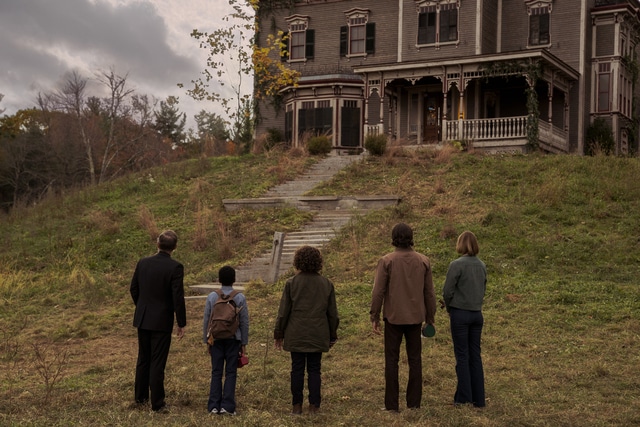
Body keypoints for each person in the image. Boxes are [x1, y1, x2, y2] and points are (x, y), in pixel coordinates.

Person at [370, 223, 436, 412]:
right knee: (415, 360)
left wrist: (374, 316)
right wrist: (430, 317)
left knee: (391, 360)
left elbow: (378, 292)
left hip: (393, 318)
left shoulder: (387, 261)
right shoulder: (423, 260)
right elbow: (429, 293)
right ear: (411, 237)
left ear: (393, 238)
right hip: (416, 318)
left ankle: (391, 405)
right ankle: (414, 403)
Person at [274, 246, 339, 416]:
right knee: (314, 369)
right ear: (318, 262)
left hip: (296, 333)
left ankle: (296, 406)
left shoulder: (291, 283)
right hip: (317, 333)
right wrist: (332, 335)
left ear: (298, 261)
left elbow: (283, 313)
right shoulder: (326, 284)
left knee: (296, 369)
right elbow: (333, 314)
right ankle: (314, 406)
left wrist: (278, 334)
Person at [130, 230, 186, 413]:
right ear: (175, 247)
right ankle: (158, 403)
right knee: (157, 361)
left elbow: (134, 288)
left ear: (157, 243)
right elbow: (177, 297)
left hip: (143, 316)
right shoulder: (175, 267)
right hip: (161, 319)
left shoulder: (143, 263)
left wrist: (141, 306)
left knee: (143, 358)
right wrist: (181, 322)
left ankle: (140, 397)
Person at [442, 231, 487, 408]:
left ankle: (463, 397)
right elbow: (483, 287)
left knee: (462, 355)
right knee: (475, 355)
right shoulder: (482, 265)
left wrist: (450, 306)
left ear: (460, 244)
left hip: (460, 314)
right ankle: (479, 399)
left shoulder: (456, 265)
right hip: (477, 314)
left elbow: (447, 291)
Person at [202, 266, 249, 416]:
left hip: (215, 339)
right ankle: (227, 406)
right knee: (231, 372)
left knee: (216, 372)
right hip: (233, 339)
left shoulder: (212, 297)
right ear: (234, 279)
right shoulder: (240, 297)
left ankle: (213, 406)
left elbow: (206, 320)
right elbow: (244, 322)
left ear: (219, 279)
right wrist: (244, 343)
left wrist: (206, 340)